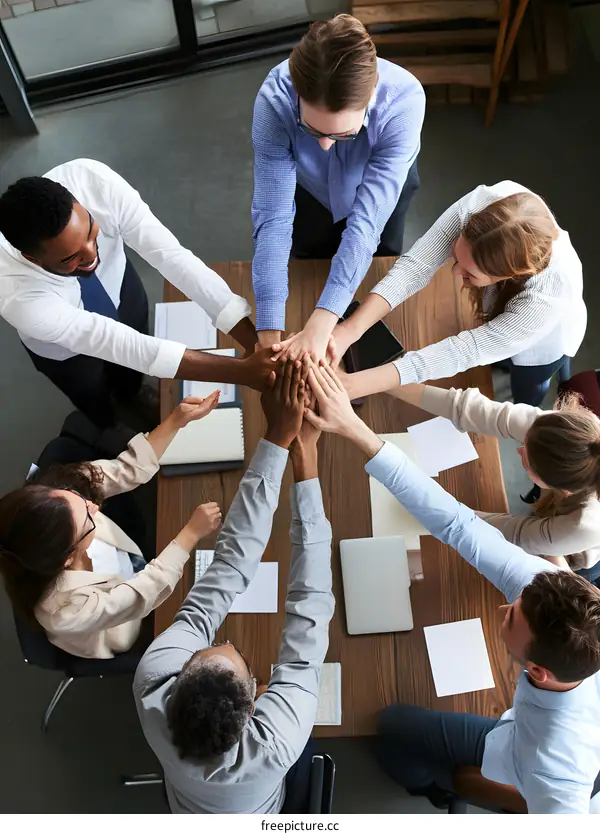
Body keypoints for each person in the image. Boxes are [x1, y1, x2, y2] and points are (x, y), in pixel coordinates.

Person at [303, 362, 600, 814]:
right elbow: (457, 523)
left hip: (529, 753)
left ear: (537, 670)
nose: (508, 604)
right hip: (521, 727)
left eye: (511, 618)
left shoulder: (555, 774)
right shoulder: (541, 588)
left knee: (391, 732)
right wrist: (355, 430)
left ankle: (444, 792)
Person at [133, 359, 334, 814]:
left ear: (178, 681)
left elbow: (230, 568)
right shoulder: (279, 741)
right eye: (235, 653)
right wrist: (307, 466)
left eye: (210, 647)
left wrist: (279, 442)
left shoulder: (153, 680)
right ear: (255, 704)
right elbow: (309, 602)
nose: (222, 638)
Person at [0, 159, 274, 429]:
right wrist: (243, 372)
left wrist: (254, 343)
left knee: (132, 366)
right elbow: (117, 343)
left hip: (119, 289)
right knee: (91, 391)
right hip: (66, 351)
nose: (92, 254)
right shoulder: (15, 295)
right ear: (33, 259)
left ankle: (133, 392)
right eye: (72, 257)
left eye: (92, 232)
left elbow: (171, 257)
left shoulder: (93, 182)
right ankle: (108, 425)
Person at [252, 14, 425, 361]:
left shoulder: (404, 101)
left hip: (379, 193)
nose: (326, 147)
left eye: (344, 135)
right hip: (310, 193)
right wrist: (269, 330)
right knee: (309, 258)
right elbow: (273, 218)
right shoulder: (273, 100)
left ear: (372, 91)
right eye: (312, 131)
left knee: (378, 258)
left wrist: (322, 323)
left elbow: (366, 226)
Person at [0, 392, 223, 659]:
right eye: (87, 519)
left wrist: (176, 420)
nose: (94, 505)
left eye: (81, 499)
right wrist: (191, 533)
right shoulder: (66, 611)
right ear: (68, 558)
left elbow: (124, 470)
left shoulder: (55, 496)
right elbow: (142, 592)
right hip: (121, 620)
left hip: (127, 558)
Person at [332, 182, 586, 406]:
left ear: (511, 274)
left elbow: (463, 351)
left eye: (470, 272)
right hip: (510, 313)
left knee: (529, 385)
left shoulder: (543, 302)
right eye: (456, 255)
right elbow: (417, 266)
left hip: (544, 345)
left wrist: (352, 386)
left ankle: (529, 407)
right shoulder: (487, 206)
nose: (454, 272)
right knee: (495, 355)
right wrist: (348, 330)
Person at [341, 377, 600, 582]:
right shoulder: (566, 433)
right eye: (524, 441)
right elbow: (468, 408)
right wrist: (376, 382)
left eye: (527, 461)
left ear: (562, 489)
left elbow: (515, 534)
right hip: (552, 522)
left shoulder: (584, 524)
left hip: (574, 553)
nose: (519, 450)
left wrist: (425, 504)